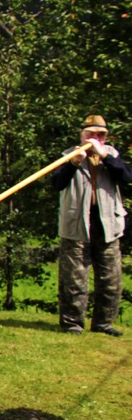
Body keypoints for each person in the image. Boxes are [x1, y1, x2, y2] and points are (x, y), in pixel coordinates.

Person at [50, 115, 132, 336]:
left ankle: (103, 323)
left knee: (111, 279)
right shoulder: (68, 156)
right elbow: (57, 183)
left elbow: (126, 177)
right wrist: (74, 163)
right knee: (73, 279)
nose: (95, 138)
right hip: (76, 224)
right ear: (82, 135)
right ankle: (72, 323)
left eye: (100, 135)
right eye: (91, 134)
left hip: (108, 225)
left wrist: (104, 156)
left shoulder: (112, 155)